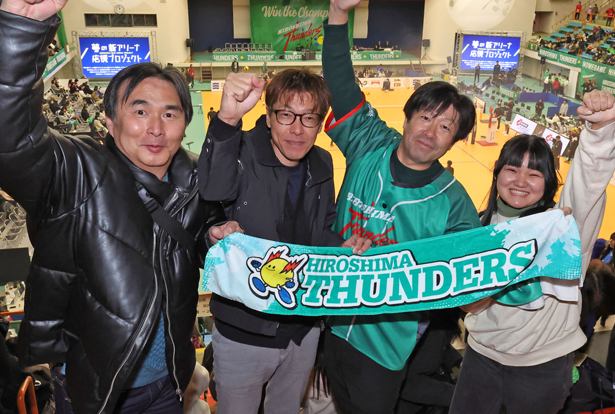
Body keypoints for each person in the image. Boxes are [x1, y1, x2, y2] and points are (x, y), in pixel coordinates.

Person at [0, 2, 225, 414]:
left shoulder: (195, 180)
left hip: (169, 383)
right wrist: (20, 29)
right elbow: (7, 140)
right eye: (140, 111)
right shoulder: (77, 174)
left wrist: (215, 235)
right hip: (97, 391)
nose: (155, 127)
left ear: (185, 123)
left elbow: (195, 243)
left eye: (169, 113)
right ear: (110, 122)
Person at [321, 1, 481, 412]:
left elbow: (466, 281)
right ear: (407, 118)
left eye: (445, 127)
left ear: (453, 141)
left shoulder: (455, 204)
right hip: (329, 323)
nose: (431, 132)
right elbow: (339, 80)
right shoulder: (368, 141)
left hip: (383, 350)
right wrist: (338, 14)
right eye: (426, 117)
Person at [199, 68, 371, 414]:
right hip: (244, 331)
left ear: (320, 123)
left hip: (303, 329)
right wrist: (228, 120)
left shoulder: (322, 162)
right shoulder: (241, 150)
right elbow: (213, 189)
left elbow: (321, 228)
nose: (297, 129)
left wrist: (341, 245)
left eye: (309, 118)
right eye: (286, 115)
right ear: (268, 116)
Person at [450, 89, 615, 414]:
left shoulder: (564, 229)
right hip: (480, 358)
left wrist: (599, 132)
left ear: (549, 182)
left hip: (542, 368)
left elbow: (587, 184)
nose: (521, 181)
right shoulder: (477, 228)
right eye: (512, 169)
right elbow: (467, 303)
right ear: (497, 173)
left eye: (534, 173)